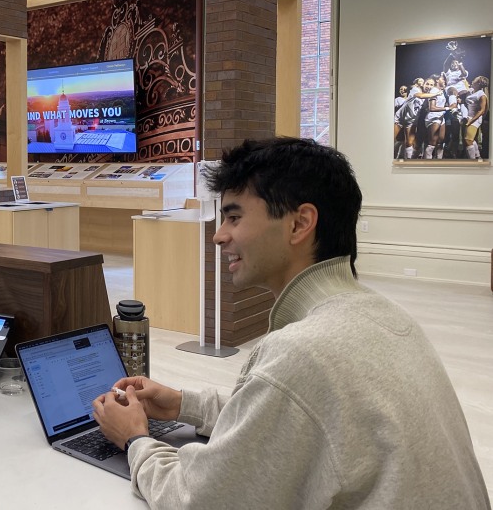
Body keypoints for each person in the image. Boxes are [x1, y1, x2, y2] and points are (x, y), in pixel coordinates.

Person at [91, 139, 490, 509]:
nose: (219, 236)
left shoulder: (303, 353)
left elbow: (197, 499)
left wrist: (135, 439)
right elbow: (298, 421)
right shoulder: (384, 316)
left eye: (233, 217)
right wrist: (184, 404)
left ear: (300, 224)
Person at [462, 76, 489, 160]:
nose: (473, 80)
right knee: (471, 139)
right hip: (468, 116)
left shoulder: (481, 95)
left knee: (468, 140)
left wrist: (471, 121)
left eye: (475, 80)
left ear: (478, 83)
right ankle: (478, 156)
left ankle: (472, 160)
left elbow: (482, 110)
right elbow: (465, 83)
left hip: (475, 118)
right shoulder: (471, 91)